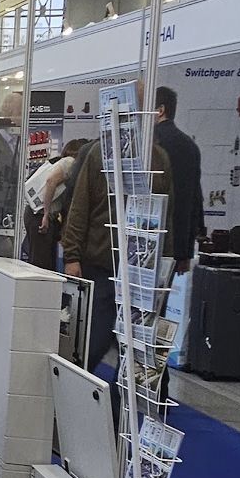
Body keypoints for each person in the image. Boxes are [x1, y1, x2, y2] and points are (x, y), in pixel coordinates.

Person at [62, 140, 173, 372]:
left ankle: (121, 394)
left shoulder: (158, 156)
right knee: (93, 343)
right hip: (101, 266)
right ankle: (76, 387)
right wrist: (72, 256)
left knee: (139, 350)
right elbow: (79, 207)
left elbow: (167, 213)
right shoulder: (98, 153)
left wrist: (166, 262)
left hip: (143, 273)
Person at [153, 87, 204, 272]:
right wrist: (186, 252)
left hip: (147, 237)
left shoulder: (147, 143)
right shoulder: (191, 147)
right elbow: (195, 199)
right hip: (178, 243)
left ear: (160, 110)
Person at [23, 138, 86, 271]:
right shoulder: (70, 163)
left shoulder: (59, 161)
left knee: (42, 260)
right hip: (40, 214)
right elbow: (51, 181)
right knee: (42, 265)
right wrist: (46, 214)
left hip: (36, 213)